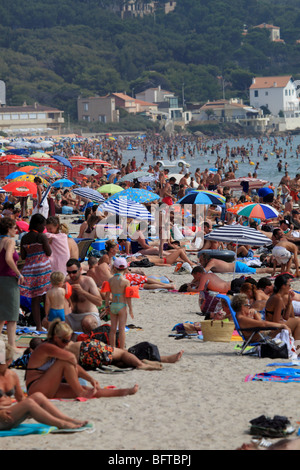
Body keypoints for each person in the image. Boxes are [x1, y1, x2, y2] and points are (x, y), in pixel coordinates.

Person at [25, 320, 138, 399]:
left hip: (48, 385)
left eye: (68, 341)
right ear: (55, 338)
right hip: (36, 387)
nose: (66, 344)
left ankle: (124, 391)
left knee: (88, 389)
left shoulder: (57, 348)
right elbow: (71, 359)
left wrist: (91, 379)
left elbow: (73, 364)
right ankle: (80, 392)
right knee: (65, 363)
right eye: (64, 341)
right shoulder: (46, 348)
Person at [0, 341, 89, 431]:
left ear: (9, 361)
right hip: (2, 417)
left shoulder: (12, 376)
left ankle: (69, 420)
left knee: (38, 396)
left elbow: (21, 399)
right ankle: (62, 424)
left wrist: (29, 409)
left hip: (10, 414)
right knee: (29, 403)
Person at [19, 214, 52, 331]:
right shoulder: (41, 237)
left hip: (30, 270)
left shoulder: (24, 238)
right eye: (43, 225)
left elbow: (23, 256)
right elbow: (49, 252)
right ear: (38, 225)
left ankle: (38, 326)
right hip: (43, 269)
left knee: (35, 298)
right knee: (45, 296)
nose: (44, 227)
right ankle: (47, 323)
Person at [0, 217, 24, 350]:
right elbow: (8, 259)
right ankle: (11, 344)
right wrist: (18, 273)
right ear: (9, 229)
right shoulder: (9, 241)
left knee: (1, 314)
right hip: (8, 280)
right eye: (15, 228)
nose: (17, 230)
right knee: (12, 315)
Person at [65, 258, 102, 333]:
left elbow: (99, 302)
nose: (71, 275)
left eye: (74, 272)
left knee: (87, 322)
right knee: (52, 322)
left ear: (80, 270)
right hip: (73, 317)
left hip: (89, 315)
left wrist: (83, 292)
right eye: (69, 272)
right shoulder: (67, 281)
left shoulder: (88, 281)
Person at [104, 258, 134, 350]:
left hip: (113, 305)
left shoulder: (110, 280)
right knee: (121, 329)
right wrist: (130, 309)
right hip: (122, 306)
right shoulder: (126, 282)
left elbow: (107, 295)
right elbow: (128, 297)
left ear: (115, 268)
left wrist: (106, 306)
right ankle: (121, 349)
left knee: (112, 329)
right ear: (125, 268)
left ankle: (112, 348)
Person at [265, 273, 300, 340]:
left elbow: (287, 317)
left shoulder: (278, 297)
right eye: (289, 285)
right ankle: (297, 345)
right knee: (298, 321)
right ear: (283, 286)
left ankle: (296, 344)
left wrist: (290, 302)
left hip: (275, 326)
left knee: (296, 320)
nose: (290, 287)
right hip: (272, 329)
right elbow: (276, 321)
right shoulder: (277, 299)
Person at [199, 253, 273, 275]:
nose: (200, 262)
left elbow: (204, 272)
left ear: (206, 260)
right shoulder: (212, 262)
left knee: (260, 271)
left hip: (237, 267)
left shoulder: (212, 262)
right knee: (259, 270)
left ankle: (278, 270)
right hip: (237, 266)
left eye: (201, 260)